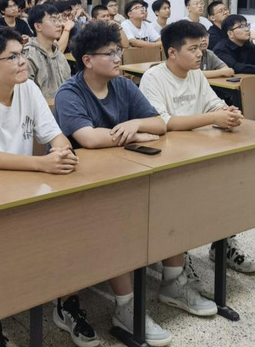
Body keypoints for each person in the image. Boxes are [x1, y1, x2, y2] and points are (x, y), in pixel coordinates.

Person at [0, 26, 91, 347]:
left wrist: (61, 150)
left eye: (22, 54)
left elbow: (53, 134)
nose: (22, 62)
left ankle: (65, 303)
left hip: (23, 185)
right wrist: (42, 164)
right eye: (12, 57)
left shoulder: (27, 88)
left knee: (72, 226)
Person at [54, 22, 171, 345]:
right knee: (116, 224)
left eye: (118, 51)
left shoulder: (123, 85)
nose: (119, 58)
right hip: (81, 185)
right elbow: (88, 139)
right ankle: (126, 306)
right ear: (88, 60)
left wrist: (135, 124)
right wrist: (135, 135)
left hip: (122, 173)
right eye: (110, 53)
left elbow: (159, 124)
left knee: (169, 200)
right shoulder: (70, 92)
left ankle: (173, 278)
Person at [140, 21, 255, 288]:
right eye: (192, 49)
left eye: (200, 48)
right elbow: (163, 122)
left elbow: (213, 104)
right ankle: (179, 255)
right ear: (172, 52)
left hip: (199, 150)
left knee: (232, 186)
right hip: (168, 157)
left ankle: (223, 243)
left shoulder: (195, 74)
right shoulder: (154, 78)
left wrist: (228, 113)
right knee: (185, 203)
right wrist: (212, 118)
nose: (199, 54)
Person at [22, 4, 71, 100]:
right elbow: (26, 94)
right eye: (53, 20)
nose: (59, 24)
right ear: (38, 26)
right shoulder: (29, 55)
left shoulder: (58, 53)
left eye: (59, 20)